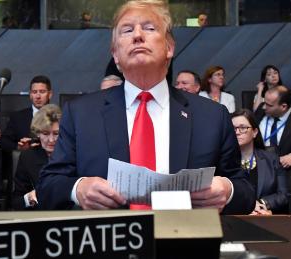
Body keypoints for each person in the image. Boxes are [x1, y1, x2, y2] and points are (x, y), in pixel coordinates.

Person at [37, 0, 255, 214]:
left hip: (185, 243)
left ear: (169, 47)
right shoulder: (81, 113)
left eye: (149, 28)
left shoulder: (212, 116)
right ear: (115, 54)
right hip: (108, 244)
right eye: (127, 30)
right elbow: (48, 186)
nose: (138, 35)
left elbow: (245, 191)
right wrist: (78, 189)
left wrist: (227, 189)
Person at [232, 109, 288, 215]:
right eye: (233, 128)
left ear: (254, 132)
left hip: (265, 215)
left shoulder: (272, 158)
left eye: (243, 128)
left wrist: (261, 204)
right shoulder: (223, 160)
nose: (237, 132)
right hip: (235, 218)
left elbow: (282, 195)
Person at [258, 85, 291, 190]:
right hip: (258, 168)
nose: (264, 107)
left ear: (283, 106)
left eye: (269, 105)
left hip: (284, 174)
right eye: (264, 103)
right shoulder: (261, 112)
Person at [12, 104, 61, 210]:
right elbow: (16, 202)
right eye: (45, 133)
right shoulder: (28, 157)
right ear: (38, 133)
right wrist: (29, 198)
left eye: (56, 133)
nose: (51, 140)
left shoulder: (72, 154)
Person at [0, 75, 53, 151]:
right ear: (30, 95)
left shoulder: (59, 117)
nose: (38, 96)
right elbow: (4, 141)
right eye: (34, 92)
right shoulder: (18, 117)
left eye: (42, 92)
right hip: (27, 159)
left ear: (50, 94)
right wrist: (19, 147)